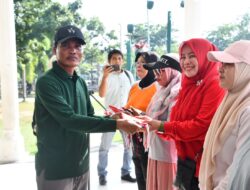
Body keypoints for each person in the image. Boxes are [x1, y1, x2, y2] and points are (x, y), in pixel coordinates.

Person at [34, 25, 141, 190]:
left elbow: (89, 116)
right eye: (66, 46)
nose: (73, 51)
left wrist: (117, 117)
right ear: (55, 49)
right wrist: (117, 124)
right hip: (55, 168)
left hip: (81, 166)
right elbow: (69, 120)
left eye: (77, 46)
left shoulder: (81, 82)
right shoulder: (46, 82)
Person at [140, 38, 225, 190]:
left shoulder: (214, 83)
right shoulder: (188, 82)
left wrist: (160, 126)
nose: (186, 61)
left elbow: (201, 126)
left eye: (192, 55)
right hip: (185, 159)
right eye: (183, 57)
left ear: (204, 55)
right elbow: (175, 120)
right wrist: (154, 126)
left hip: (202, 164)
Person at [199, 40, 250, 190]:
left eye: (228, 64)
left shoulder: (247, 111)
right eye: (221, 64)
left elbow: (239, 170)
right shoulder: (230, 102)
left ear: (245, 69)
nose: (220, 69)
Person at [97, 49, 136, 185]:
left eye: (119, 58)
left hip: (126, 115)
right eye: (114, 58)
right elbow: (101, 94)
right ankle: (102, 174)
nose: (117, 61)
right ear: (109, 61)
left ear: (123, 60)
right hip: (110, 116)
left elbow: (133, 94)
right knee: (104, 147)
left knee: (128, 146)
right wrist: (105, 77)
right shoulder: (105, 76)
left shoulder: (129, 75)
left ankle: (126, 172)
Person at [143, 54, 182, 190]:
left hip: (168, 156)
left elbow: (174, 125)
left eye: (161, 71)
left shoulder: (178, 92)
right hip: (155, 152)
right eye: (155, 71)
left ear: (173, 71)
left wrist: (151, 123)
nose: (157, 75)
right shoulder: (161, 91)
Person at [124, 52, 158, 190]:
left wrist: (141, 115)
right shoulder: (134, 86)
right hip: (135, 138)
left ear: (152, 65)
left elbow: (158, 116)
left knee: (149, 178)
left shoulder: (158, 87)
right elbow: (127, 106)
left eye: (143, 62)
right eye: (137, 62)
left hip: (150, 141)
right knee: (139, 176)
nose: (139, 65)